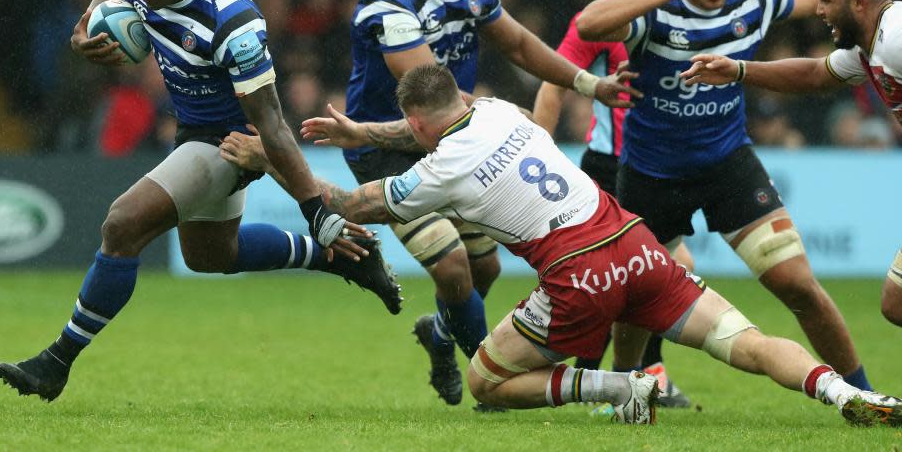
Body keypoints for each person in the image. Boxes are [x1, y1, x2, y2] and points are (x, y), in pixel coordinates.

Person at [221, 63, 902, 427]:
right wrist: (368, 134)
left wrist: (270, 152)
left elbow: (344, 203)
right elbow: (431, 128)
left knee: (489, 381)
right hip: (634, 241)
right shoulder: (498, 110)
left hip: (578, 276)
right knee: (748, 343)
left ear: (416, 123)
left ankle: (620, 384)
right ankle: (842, 395)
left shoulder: (434, 173)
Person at [0, 0, 402, 402]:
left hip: (229, 140)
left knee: (122, 224)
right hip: (192, 130)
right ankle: (341, 260)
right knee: (211, 255)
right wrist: (86, 27)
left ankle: (55, 362)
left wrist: (314, 209)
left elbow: (272, 124)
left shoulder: (234, 24)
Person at [343, 0, 638, 408]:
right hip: (391, 146)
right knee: (453, 266)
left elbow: (520, 44)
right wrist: (501, 114)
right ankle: (495, 381)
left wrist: (588, 85)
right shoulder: (389, 2)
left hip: (461, 141)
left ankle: (440, 335)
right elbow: (434, 97)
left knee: (486, 271)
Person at [572, 0, 874, 391]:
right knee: (635, 301)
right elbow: (588, 25)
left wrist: (880, 20)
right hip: (651, 177)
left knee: (798, 285)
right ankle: (624, 386)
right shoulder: (654, 9)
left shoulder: (753, 0)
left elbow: (824, 0)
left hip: (728, 168)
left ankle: (863, 392)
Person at [680, 0, 902, 328]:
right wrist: (739, 71)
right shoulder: (869, 48)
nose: (819, 11)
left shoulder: (897, 36)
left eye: (827, 0)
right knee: (896, 303)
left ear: (860, 2)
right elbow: (815, 75)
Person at [532, 0, 693, 407]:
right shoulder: (607, 14)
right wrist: (538, 152)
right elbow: (555, 78)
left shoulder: (699, 12)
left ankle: (625, 375)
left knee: (653, 274)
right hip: (609, 168)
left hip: (665, 167)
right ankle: (622, 377)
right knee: (650, 272)